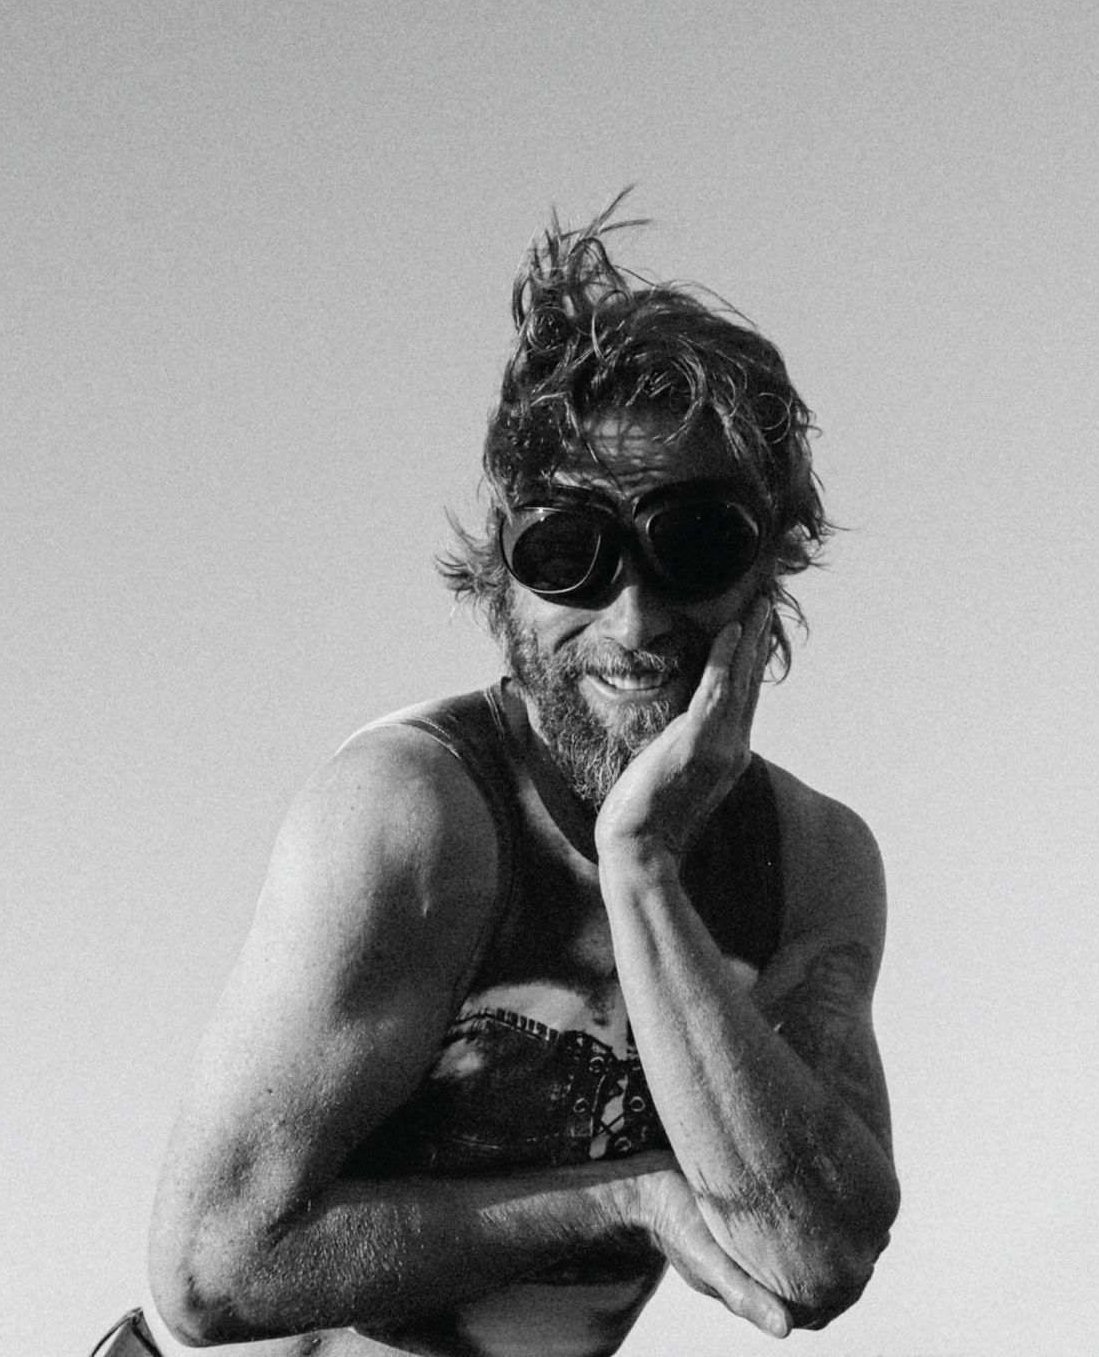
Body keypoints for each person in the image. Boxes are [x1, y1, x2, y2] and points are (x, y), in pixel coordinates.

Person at [94, 199, 898, 1357]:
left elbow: (814, 1260)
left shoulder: (810, 862)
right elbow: (212, 1271)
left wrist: (641, 866)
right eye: (570, 551)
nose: (633, 616)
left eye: (696, 543)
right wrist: (620, 1196)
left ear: (770, 567)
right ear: (501, 577)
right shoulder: (415, 818)